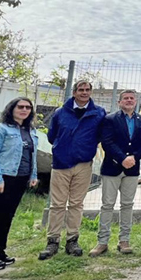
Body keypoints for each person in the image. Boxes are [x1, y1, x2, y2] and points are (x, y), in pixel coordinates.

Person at [40, 80, 106, 260]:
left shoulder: (98, 113)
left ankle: (72, 240)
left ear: (91, 92)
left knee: (76, 203)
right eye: (81, 90)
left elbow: (101, 135)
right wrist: (64, 148)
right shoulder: (61, 112)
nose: (84, 93)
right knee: (57, 204)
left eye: (87, 90)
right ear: (75, 92)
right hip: (61, 163)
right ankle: (52, 240)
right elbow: (52, 135)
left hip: (83, 164)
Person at [89, 90, 141, 257]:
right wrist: (122, 158)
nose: (129, 101)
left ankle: (124, 240)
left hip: (132, 170)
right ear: (119, 102)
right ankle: (102, 242)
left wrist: (134, 157)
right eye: (126, 98)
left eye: (132, 98)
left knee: (127, 205)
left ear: (136, 101)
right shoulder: (109, 119)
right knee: (107, 205)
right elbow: (107, 141)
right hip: (112, 168)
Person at [0, 97, 39, 271]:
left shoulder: (30, 131)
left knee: (7, 217)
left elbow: (32, 156)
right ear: (11, 109)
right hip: (3, 179)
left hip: (20, 180)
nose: (24, 110)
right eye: (20, 107)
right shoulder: (1, 129)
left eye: (28, 107)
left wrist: (33, 175)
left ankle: (0, 253)